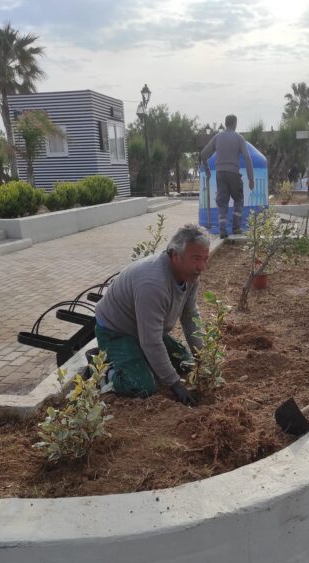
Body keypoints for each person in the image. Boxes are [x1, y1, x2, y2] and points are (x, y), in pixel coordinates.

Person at [94, 223, 210, 406]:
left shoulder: (190, 276)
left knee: (185, 364)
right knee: (143, 387)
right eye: (196, 258)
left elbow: (190, 317)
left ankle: (138, 359)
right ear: (175, 255)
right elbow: (151, 341)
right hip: (116, 331)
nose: (202, 266)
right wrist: (174, 384)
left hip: (144, 330)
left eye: (205, 259)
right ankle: (104, 372)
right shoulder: (153, 284)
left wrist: (203, 359)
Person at [201, 114, 254, 239]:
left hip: (220, 174)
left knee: (222, 202)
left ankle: (222, 230)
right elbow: (247, 157)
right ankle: (236, 227)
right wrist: (251, 178)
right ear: (235, 123)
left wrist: (207, 169)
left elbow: (203, 154)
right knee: (238, 199)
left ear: (225, 123)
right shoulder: (239, 137)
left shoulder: (217, 137)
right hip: (233, 173)